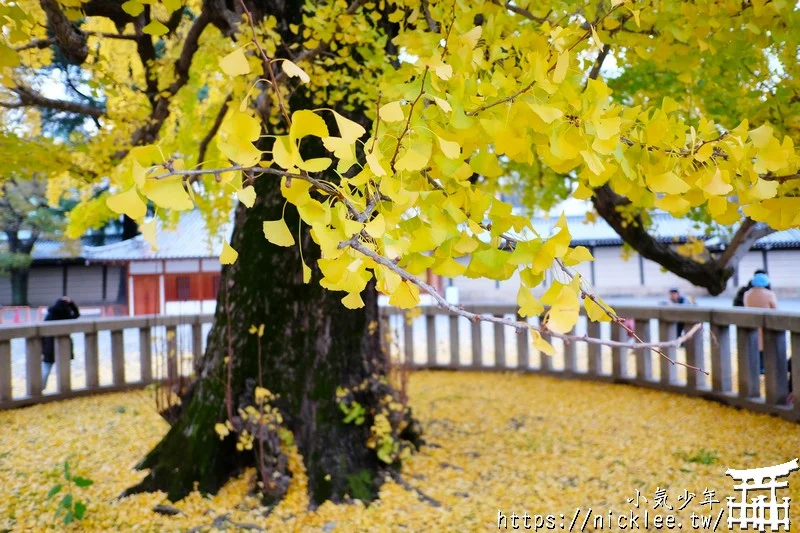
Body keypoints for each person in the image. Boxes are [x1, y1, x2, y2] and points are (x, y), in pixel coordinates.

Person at [41, 296, 80, 390]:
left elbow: (42, 333)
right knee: (64, 369)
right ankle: (64, 388)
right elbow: (77, 314)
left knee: (46, 369)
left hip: (49, 346)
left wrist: (42, 349)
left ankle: (40, 388)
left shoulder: (50, 315)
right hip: (64, 345)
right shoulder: (67, 316)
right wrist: (71, 302)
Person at [743, 272, 778, 377]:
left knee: (754, 346)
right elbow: (775, 309)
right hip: (765, 324)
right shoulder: (770, 294)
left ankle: (755, 367)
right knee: (766, 346)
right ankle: (764, 367)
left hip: (751, 323)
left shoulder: (747, 294)